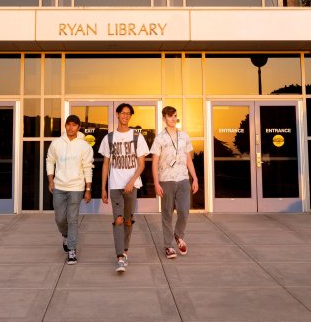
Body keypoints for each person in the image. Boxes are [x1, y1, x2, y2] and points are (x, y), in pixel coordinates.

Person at [99, 103, 150, 273]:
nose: (125, 116)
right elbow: (106, 164)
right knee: (118, 220)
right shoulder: (109, 138)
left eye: (128, 114)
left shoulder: (137, 137)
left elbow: (142, 164)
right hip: (115, 186)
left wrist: (131, 181)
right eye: (123, 113)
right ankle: (120, 257)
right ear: (117, 114)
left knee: (128, 220)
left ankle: (125, 250)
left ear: (130, 116)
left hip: (131, 185)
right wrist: (103, 188)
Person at [151, 105, 198, 259]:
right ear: (164, 118)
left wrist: (195, 178)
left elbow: (188, 159)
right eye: (170, 116)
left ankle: (178, 235)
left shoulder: (184, 136)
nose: (173, 119)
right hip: (166, 180)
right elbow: (154, 163)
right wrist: (156, 183)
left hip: (183, 179)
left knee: (184, 211)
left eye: (175, 116)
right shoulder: (160, 138)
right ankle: (168, 246)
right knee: (167, 214)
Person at [46, 114, 94, 265]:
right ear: (65, 126)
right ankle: (66, 235)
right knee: (60, 218)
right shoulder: (56, 143)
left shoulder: (84, 145)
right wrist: (50, 180)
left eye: (74, 125)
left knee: (72, 219)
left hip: (76, 187)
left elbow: (88, 167)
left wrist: (88, 188)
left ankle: (72, 250)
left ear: (79, 127)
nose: (70, 127)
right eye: (68, 124)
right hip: (59, 186)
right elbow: (50, 161)